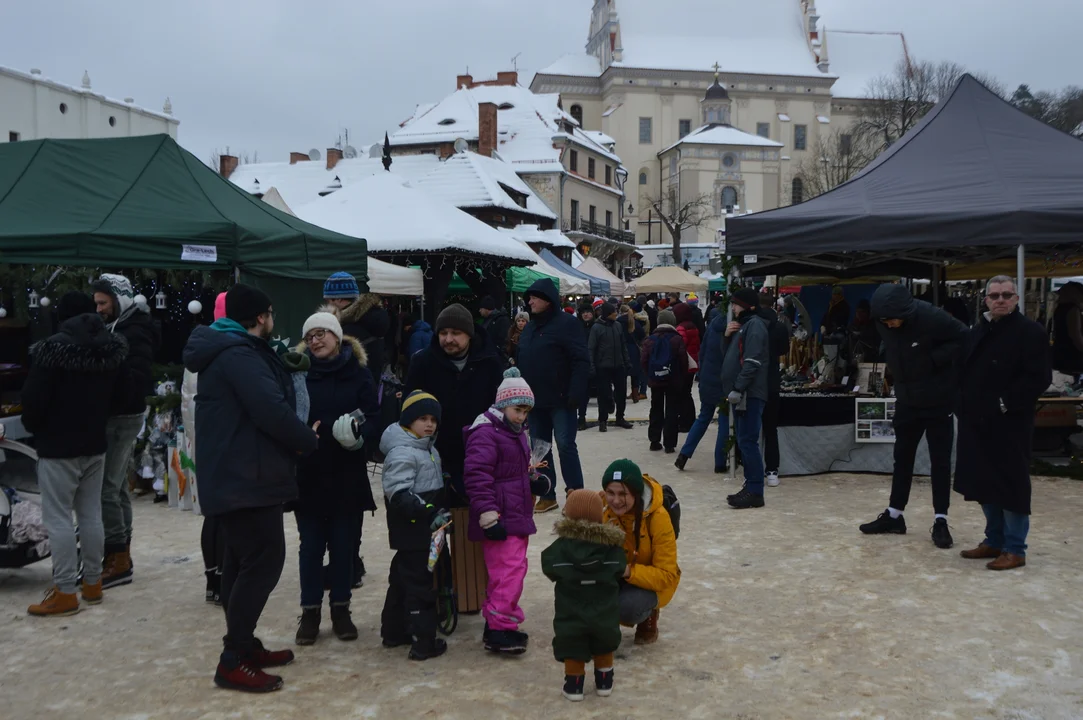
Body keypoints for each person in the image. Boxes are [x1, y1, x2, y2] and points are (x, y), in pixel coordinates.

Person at [183, 284, 320, 693]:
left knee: (242, 562)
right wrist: (307, 440)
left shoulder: (229, 350)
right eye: (271, 313)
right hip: (244, 476)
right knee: (263, 559)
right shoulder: (239, 355)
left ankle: (243, 644)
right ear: (261, 317)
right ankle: (233, 658)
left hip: (237, 473)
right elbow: (270, 409)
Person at [23, 292, 128, 617]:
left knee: (58, 518)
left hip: (58, 447)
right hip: (95, 443)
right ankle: (93, 584)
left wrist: (35, 427)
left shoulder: (51, 350)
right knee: (90, 514)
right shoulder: (111, 349)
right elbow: (120, 397)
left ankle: (66, 590)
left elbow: (33, 402)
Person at [293, 311, 380, 645]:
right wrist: (299, 437)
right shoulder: (298, 374)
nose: (316, 340)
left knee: (344, 548)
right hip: (310, 473)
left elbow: (374, 415)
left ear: (337, 336)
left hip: (347, 473)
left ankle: (341, 610)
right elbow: (285, 414)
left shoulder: (358, 374)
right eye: (311, 335)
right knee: (311, 547)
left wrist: (360, 437)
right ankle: (310, 612)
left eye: (322, 334)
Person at [859, 283, 968, 548]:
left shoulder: (932, 317)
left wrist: (933, 360)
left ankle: (940, 519)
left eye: (894, 320)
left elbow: (965, 338)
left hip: (938, 399)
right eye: (885, 321)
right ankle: (895, 515)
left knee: (939, 461)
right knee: (902, 458)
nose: (890, 325)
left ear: (906, 312)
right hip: (907, 399)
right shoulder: (883, 321)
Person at [954, 276, 1051, 570]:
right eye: (994, 295)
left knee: (1011, 485)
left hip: (1010, 423)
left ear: (1017, 299)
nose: (1000, 300)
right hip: (977, 420)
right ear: (985, 300)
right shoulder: (978, 331)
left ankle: (1014, 548)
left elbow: (1039, 378)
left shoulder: (1030, 332)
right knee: (984, 482)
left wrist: (1005, 403)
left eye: (1007, 295)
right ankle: (994, 540)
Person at [464, 368, 550, 654]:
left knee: (509, 571)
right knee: (509, 572)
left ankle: (496, 621)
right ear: (502, 405)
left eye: (526, 411)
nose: (522, 417)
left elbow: (514, 472)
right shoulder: (486, 433)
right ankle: (501, 629)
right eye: (517, 410)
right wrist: (488, 515)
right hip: (500, 518)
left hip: (516, 514)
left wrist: (533, 481)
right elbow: (477, 475)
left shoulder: (515, 432)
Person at [91, 273, 160, 589]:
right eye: (97, 303)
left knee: (106, 485)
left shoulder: (133, 330)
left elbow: (135, 378)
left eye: (103, 303)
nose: (99, 309)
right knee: (115, 485)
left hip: (122, 417)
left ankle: (117, 557)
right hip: (119, 415)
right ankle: (122, 555)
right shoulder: (119, 326)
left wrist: (108, 388)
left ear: (119, 301)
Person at [405, 303, 504, 504]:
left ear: (469, 334)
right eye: (443, 333)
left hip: (480, 454)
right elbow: (409, 408)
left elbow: (500, 409)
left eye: (455, 333)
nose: (448, 339)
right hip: (435, 454)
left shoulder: (490, 362)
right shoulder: (423, 362)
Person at [378, 391, 450, 660]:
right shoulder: (402, 452)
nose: (429, 424)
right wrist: (428, 511)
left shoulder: (427, 448)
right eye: (422, 418)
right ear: (408, 421)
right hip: (414, 529)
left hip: (424, 530)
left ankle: (394, 630)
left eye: (433, 419)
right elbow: (399, 493)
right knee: (421, 585)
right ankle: (423, 641)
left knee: (401, 580)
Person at [541, 489, 626, 702]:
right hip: (604, 611)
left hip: (571, 610)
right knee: (604, 642)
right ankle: (604, 680)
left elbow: (548, 566)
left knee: (572, 643)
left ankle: (574, 684)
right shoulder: (611, 549)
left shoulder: (560, 549)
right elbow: (620, 568)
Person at [517, 279, 590, 513]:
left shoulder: (567, 324)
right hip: (535, 400)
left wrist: (576, 392)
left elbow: (580, 359)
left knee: (566, 445)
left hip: (562, 398)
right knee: (540, 447)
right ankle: (547, 493)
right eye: (529, 298)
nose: (530, 302)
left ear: (547, 299)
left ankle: (575, 493)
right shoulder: (529, 328)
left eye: (534, 297)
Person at [600, 460, 679, 645]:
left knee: (628, 608)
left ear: (636, 494)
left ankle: (648, 614)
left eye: (623, 494)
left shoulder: (658, 518)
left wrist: (627, 571)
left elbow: (667, 574)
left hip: (651, 581)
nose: (616, 501)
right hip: (616, 572)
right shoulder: (603, 508)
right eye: (610, 493)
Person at [181, 292, 227, 605]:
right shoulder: (232, 350)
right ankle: (223, 579)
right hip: (227, 444)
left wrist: (197, 446)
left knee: (212, 515)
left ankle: (213, 580)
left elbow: (188, 404)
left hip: (204, 444)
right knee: (228, 516)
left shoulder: (197, 352)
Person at [721, 288, 770, 509]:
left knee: (748, 441)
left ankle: (755, 490)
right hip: (743, 395)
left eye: (736, 304)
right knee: (744, 441)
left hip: (750, 394)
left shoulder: (755, 326)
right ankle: (750, 486)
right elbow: (733, 357)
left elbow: (752, 362)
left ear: (747, 306)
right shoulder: (745, 326)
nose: (733, 308)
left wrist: (739, 388)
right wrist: (728, 336)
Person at [675, 308, 729, 474]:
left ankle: (684, 454)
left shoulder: (712, 327)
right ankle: (720, 462)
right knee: (725, 422)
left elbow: (702, 353)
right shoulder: (731, 330)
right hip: (724, 382)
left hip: (707, 379)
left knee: (703, 418)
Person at [321, 272, 391, 379]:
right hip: (370, 388)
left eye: (328, 300)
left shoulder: (347, 330)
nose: (327, 305)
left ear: (339, 299)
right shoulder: (371, 319)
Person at [640, 309, 688, 454]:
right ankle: (669, 444)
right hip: (673, 380)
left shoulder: (649, 340)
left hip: (656, 380)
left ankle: (654, 440)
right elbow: (683, 361)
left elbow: (643, 361)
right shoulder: (677, 339)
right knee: (672, 410)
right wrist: (681, 377)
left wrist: (650, 374)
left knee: (656, 408)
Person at [757, 296, 791, 488]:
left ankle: (751, 469)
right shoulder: (779, 326)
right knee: (771, 429)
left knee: (751, 431)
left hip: (754, 382)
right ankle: (772, 470)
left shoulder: (751, 324)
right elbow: (784, 350)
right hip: (772, 381)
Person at [589, 303, 633, 432]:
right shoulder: (596, 328)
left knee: (621, 393)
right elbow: (591, 348)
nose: (616, 313)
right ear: (608, 313)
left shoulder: (618, 325)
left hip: (619, 365)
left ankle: (620, 417)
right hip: (602, 366)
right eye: (614, 312)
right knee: (603, 394)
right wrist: (592, 366)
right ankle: (602, 420)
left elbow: (623, 345)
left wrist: (627, 361)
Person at [673, 302, 700, 432]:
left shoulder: (680, 328)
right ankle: (690, 420)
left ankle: (685, 422)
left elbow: (679, 347)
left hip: (684, 365)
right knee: (687, 393)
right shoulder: (693, 326)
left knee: (682, 395)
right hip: (692, 364)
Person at [1051, 281, 1083, 377]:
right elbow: (1076, 336)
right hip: (1071, 357)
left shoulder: (1060, 308)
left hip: (1060, 354)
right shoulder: (1072, 309)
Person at [576, 302, 596, 431]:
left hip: (597, 364)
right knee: (583, 394)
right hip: (582, 365)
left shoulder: (597, 326)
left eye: (588, 312)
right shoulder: (577, 328)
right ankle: (581, 419)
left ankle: (603, 419)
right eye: (583, 312)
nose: (586, 314)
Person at [478, 296, 512, 361]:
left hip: (497, 358)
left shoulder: (502, 320)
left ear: (486, 308)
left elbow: (504, 340)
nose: (479, 310)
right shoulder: (486, 320)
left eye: (481, 308)